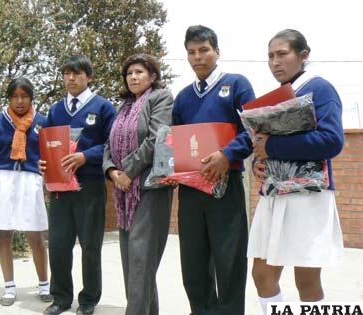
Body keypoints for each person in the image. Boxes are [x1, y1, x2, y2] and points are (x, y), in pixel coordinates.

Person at [248, 29, 344, 314]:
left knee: (306, 280)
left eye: (282, 54)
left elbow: (332, 140)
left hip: (307, 196)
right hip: (274, 195)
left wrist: (273, 146)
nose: (275, 62)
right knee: (262, 276)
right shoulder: (276, 97)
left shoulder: (320, 88)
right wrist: (259, 161)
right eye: (270, 56)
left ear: (303, 55)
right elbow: (263, 145)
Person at [172, 25, 255, 315]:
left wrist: (227, 154)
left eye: (204, 50)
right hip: (191, 189)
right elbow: (176, 141)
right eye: (191, 52)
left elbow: (253, 130)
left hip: (226, 183)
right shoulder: (182, 97)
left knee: (229, 257)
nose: (198, 57)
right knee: (193, 260)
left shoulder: (236, 84)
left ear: (217, 51)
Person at [40, 55, 116, 315]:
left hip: (90, 185)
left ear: (89, 77)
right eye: (66, 74)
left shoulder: (103, 107)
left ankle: (88, 300)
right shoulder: (55, 110)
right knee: (59, 245)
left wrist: (86, 156)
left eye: (76, 73)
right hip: (60, 189)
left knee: (90, 245)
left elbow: (112, 144)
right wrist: (45, 164)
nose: (70, 78)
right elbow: (48, 144)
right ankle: (60, 298)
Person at [103, 53, 174, 315]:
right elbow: (108, 144)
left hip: (149, 188)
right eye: (129, 73)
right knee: (133, 263)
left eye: (139, 72)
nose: (133, 77)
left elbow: (156, 138)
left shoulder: (161, 98)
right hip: (124, 191)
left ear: (153, 76)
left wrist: (128, 172)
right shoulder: (124, 106)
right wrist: (112, 171)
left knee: (141, 261)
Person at [0, 77, 52, 306]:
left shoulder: (42, 122)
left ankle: (44, 285)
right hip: (0, 182)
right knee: (4, 235)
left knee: (35, 235)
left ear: (31, 97)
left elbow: (50, 157)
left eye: (25, 96)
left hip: (30, 181)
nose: (20, 101)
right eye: (15, 96)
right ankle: (9, 287)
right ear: (9, 98)